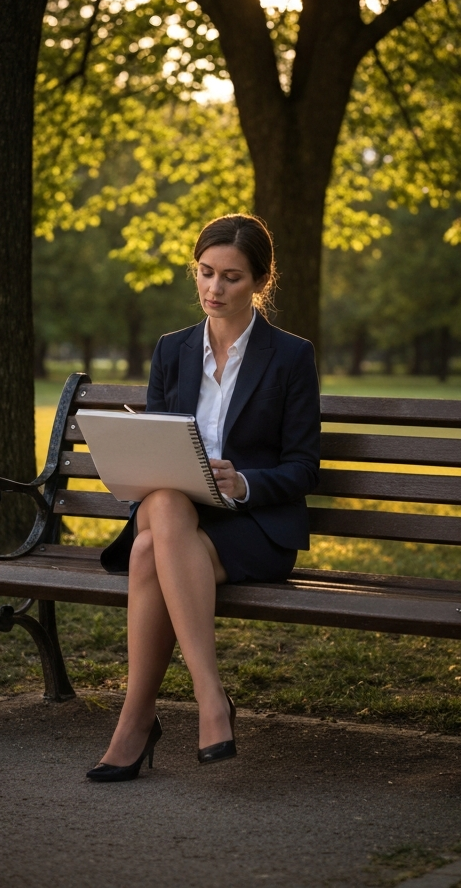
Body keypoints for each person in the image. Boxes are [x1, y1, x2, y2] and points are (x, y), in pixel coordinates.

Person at [86, 213, 321, 782]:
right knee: (164, 507)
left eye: (232, 278)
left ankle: (137, 721)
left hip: (252, 527)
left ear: (261, 282)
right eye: (206, 273)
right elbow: (158, 445)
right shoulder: (172, 350)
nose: (214, 289)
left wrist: (243, 482)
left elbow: (302, 468)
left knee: (149, 552)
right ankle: (209, 697)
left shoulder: (290, 356)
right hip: (177, 514)